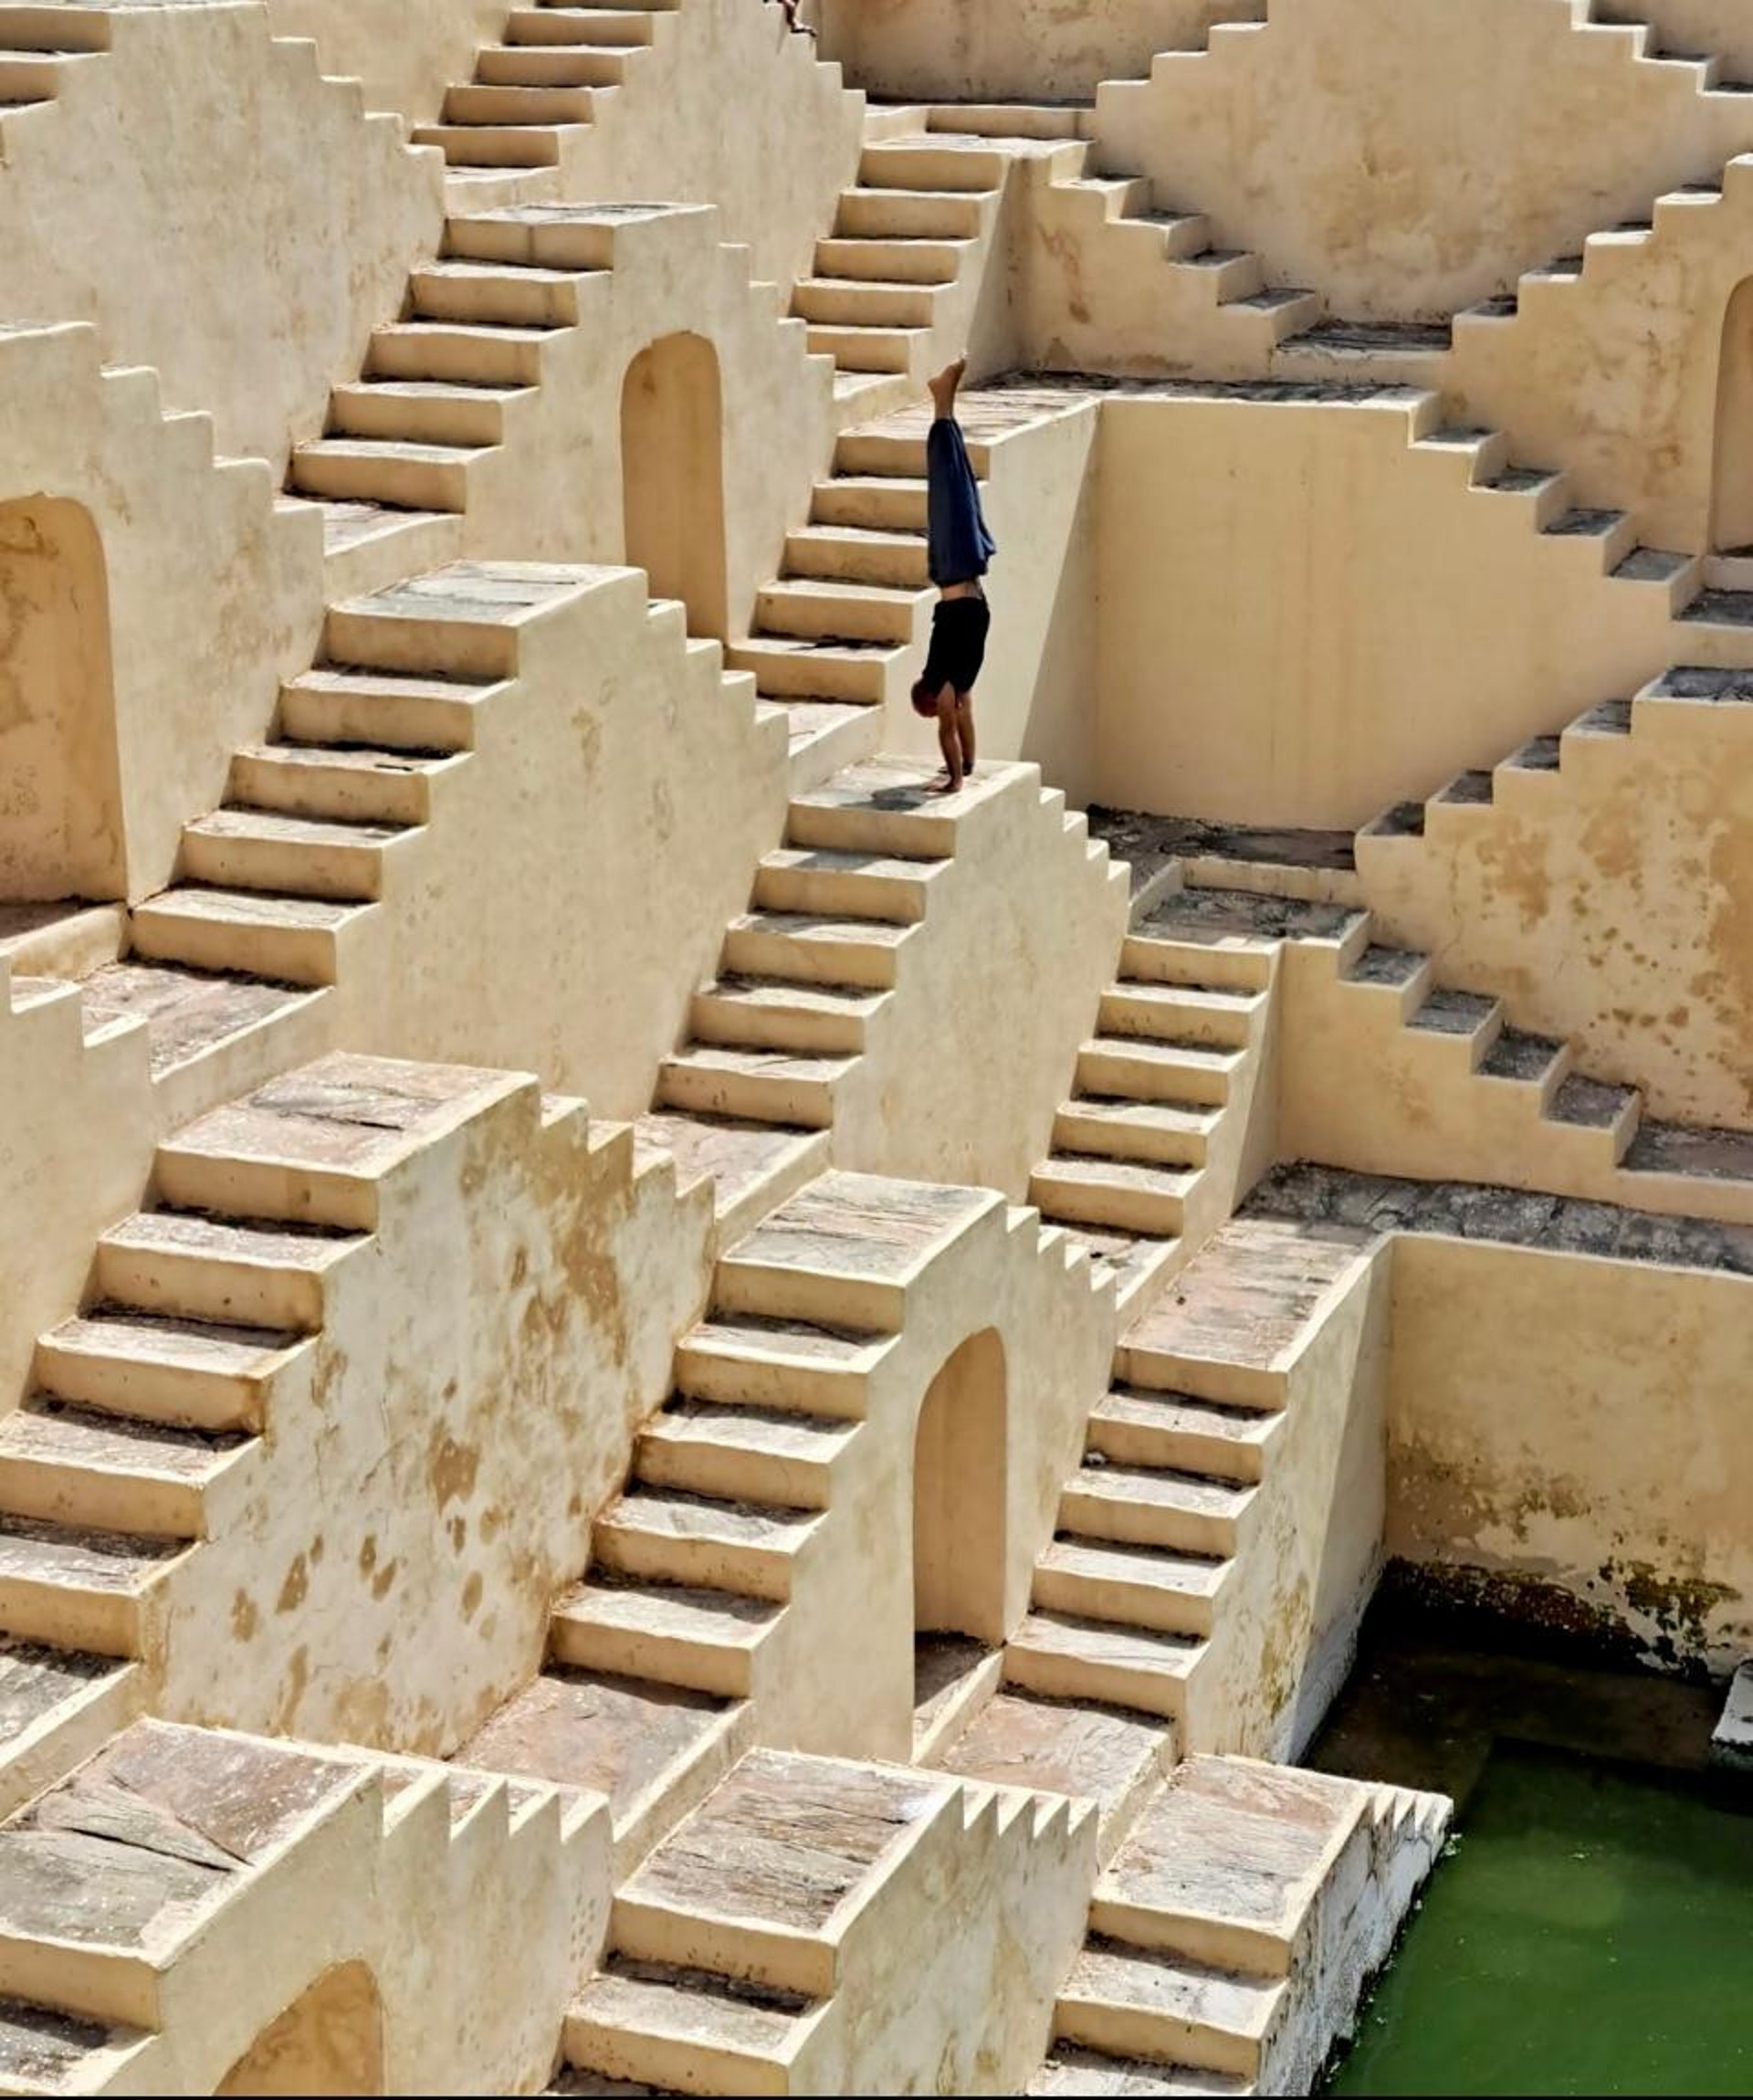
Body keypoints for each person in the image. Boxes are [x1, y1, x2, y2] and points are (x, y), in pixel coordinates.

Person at [911, 355, 996, 794]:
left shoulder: (954, 686)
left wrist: (964, 768)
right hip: (957, 574)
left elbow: (957, 725)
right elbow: (953, 726)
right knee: (950, 486)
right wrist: (959, 777)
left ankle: (944, 402)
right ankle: (943, 401)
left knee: (955, 487)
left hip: (963, 577)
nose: (942, 711)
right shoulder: (951, 687)